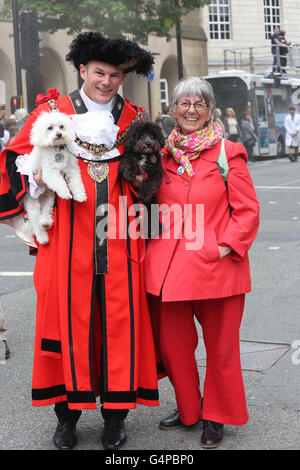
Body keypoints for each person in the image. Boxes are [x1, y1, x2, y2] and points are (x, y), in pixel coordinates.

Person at [0, 32, 159, 450]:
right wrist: (32, 182)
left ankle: (115, 418)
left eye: (115, 75)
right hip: (66, 239)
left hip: (119, 238)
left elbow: (154, 177)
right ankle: (66, 418)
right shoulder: (53, 113)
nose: (106, 81)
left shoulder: (135, 117)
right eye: (99, 73)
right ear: (83, 70)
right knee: (64, 322)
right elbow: (14, 160)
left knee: (118, 324)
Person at [144, 77, 260, 448]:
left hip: (217, 269)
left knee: (221, 349)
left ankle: (217, 415)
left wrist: (225, 248)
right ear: (173, 109)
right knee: (174, 348)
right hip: (169, 271)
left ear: (210, 109)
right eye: (183, 103)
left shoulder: (229, 152)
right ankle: (190, 409)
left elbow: (247, 211)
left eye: (199, 104)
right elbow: (148, 207)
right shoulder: (160, 155)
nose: (191, 110)